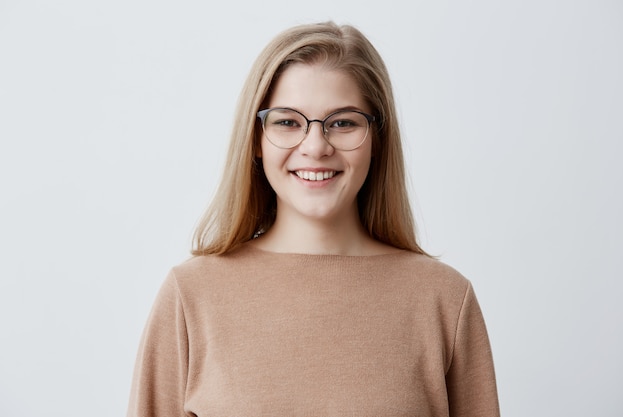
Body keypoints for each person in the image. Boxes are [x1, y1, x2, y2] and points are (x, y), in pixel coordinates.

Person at [127, 21, 500, 417]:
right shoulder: (190, 296)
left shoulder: (444, 300)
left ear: (376, 140)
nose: (316, 146)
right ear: (256, 139)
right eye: (288, 121)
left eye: (343, 122)